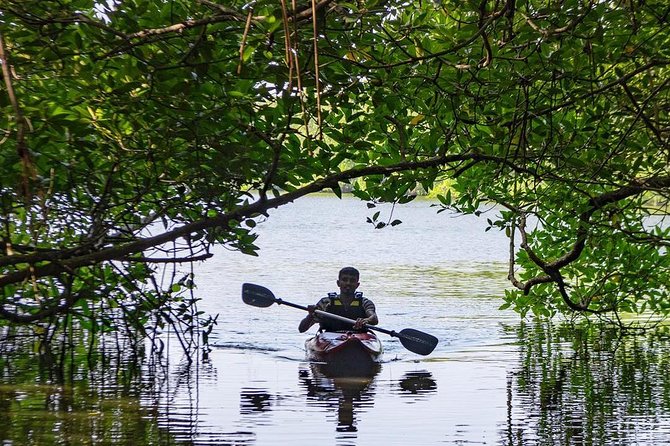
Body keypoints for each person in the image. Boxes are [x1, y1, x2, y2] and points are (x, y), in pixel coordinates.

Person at [298, 267, 378, 333]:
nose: (348, 283)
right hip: (330, 339)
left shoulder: (365, 302)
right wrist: (310, 315)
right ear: (338, 283)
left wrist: (366, 320)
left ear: (357, 285)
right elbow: (302, 329)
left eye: (352, 281)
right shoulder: (325, 302)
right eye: (344, 280)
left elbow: (374, 318)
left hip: (359, 339)